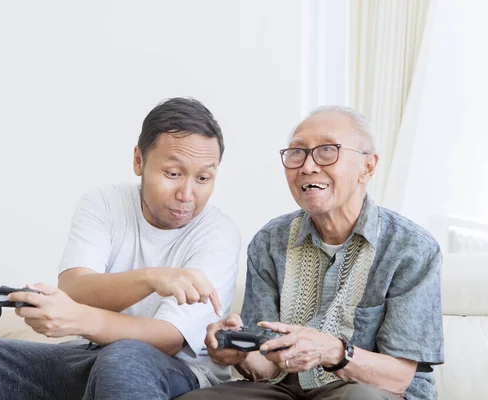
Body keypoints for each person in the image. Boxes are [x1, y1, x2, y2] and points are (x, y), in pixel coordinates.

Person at [0, 97, 241, 400]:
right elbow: (75, 288)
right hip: (90, 355)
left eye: (203, 179)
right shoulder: (104, 202)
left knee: (124, 357)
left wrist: (79, 319)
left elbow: (168, 338)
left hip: (176, 369)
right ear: (138, 160)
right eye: (173, 174)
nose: (186, 194)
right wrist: (151, 279)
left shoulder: (218, 233)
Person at [178, 106, 444, 400]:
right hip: (285, 389)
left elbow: (398, 378)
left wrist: (335, 352)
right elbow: (265, 365)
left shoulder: (411, 248)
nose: (307, 166)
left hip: (372, 391)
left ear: (367, 167)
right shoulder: (270, 241)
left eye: (327, 151)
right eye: (297, 153)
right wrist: (237, 351)